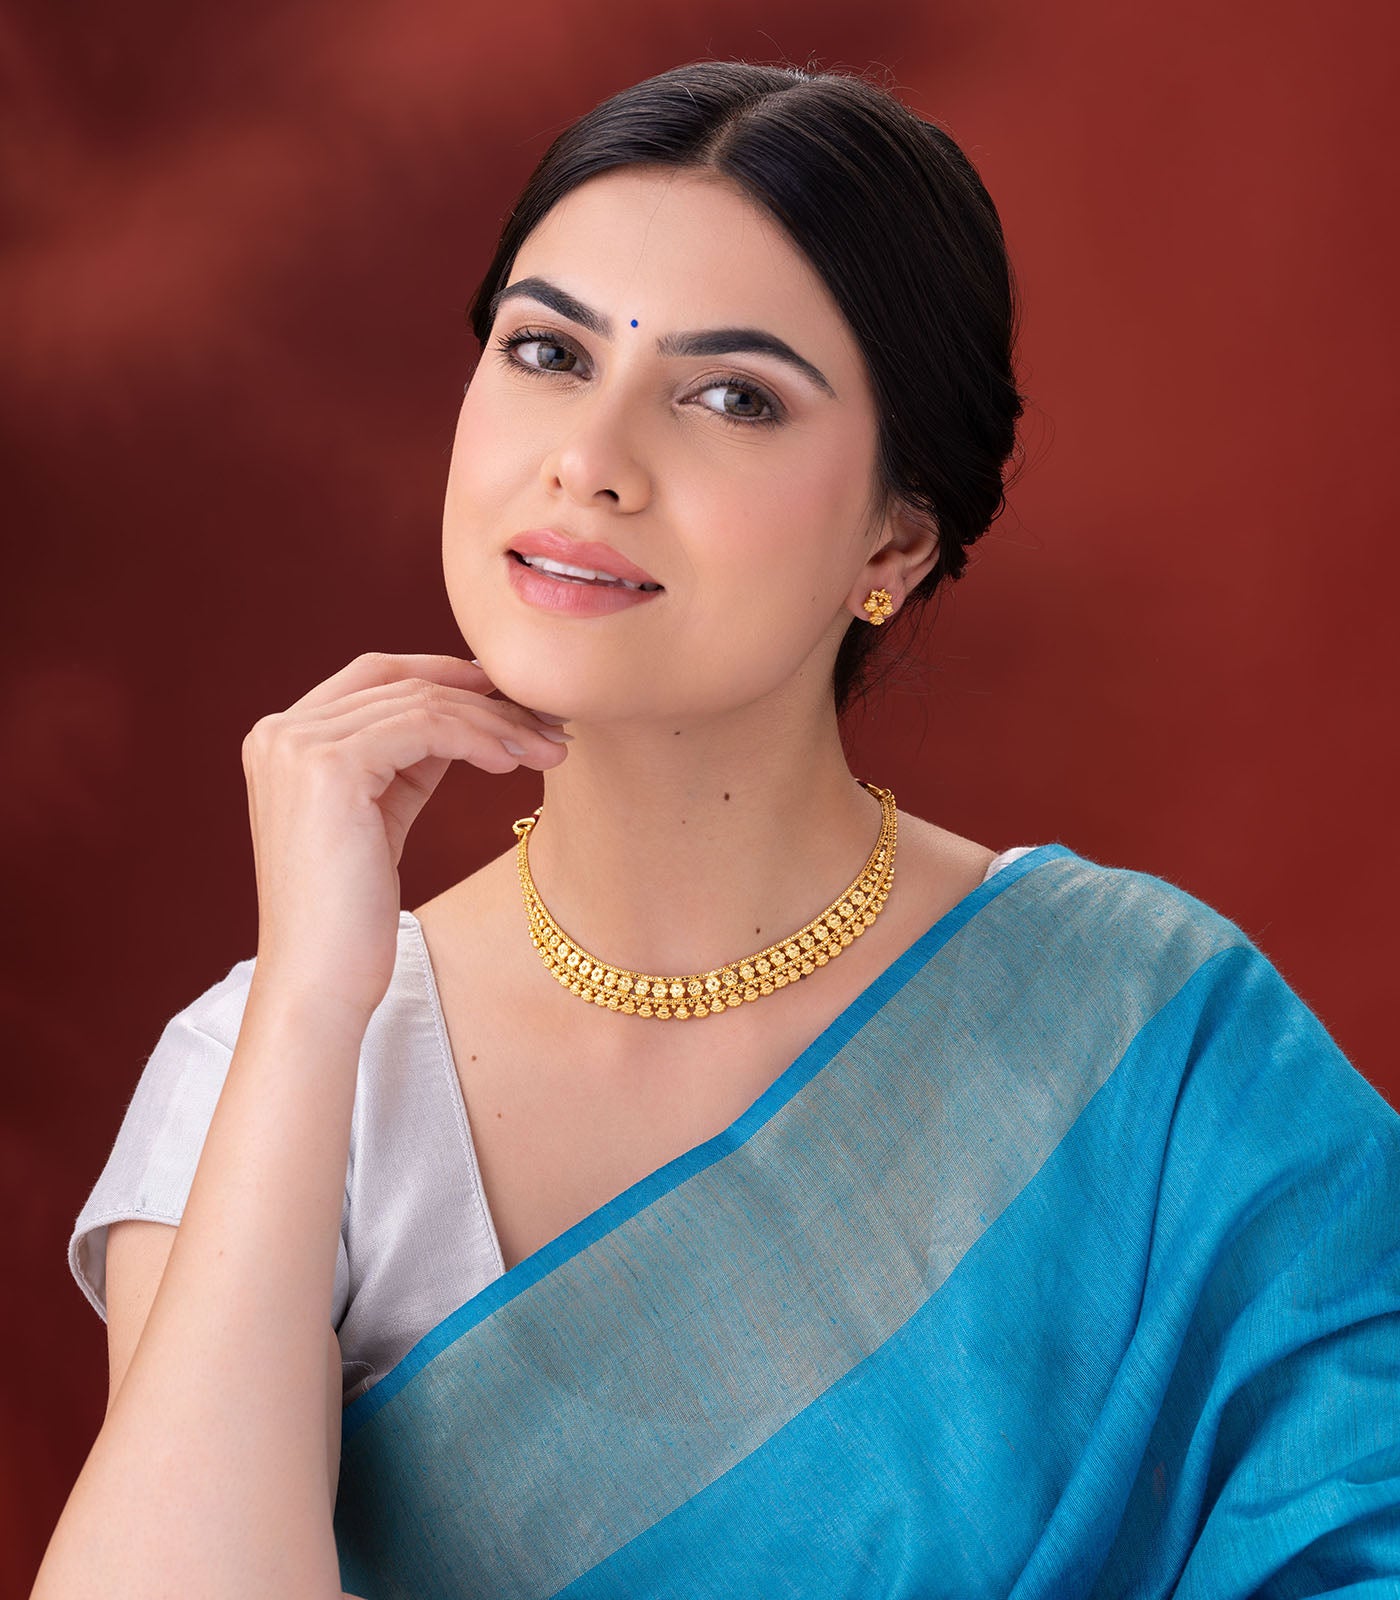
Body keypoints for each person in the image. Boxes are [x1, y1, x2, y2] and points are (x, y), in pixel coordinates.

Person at [34, 58, 1399, 1600]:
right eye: (546, 351)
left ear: (896, 534)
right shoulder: (274, 1065)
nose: (592, 460)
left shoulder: (1147, 1041)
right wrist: (312, 1005)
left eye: (731, 394)